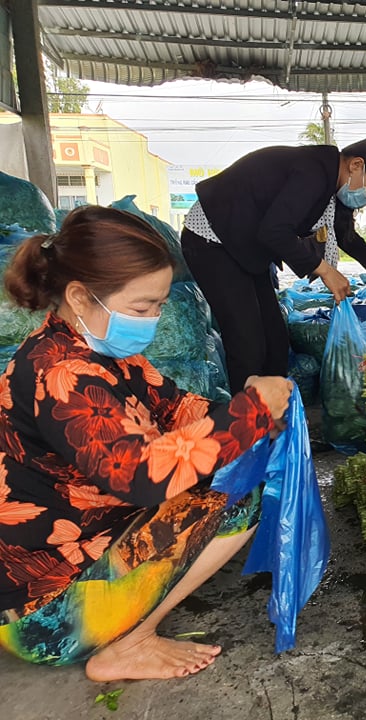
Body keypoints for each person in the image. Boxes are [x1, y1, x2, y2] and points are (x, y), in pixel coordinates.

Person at [0, 205, 293, 682]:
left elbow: (178, 409)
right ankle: (128, 646)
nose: (154, 319)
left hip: (88, 547)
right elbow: (142, 477)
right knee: (238, 497)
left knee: (229, 463)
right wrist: (249, 416)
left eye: (158, 307)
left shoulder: (105, 355)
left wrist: (253, 412)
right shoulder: (59, 373)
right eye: (142, 308)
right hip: (44, 617)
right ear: (79, 296)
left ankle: (125, 626)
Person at [179, 138, 366, 393]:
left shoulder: (331, 185)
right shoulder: (313, 172)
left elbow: (344, 234)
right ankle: (247, 424)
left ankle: (273, 415)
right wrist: (325, 270)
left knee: (276, 339)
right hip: (212, 241)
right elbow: (275, 232)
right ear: (356, 165)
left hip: (245, 248)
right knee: (247, 342)